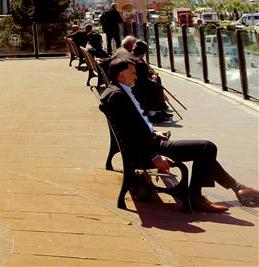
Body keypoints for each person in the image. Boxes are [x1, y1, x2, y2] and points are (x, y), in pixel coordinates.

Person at [100, 57, 259, 212]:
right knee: (207, 148)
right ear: (121, 75)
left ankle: (239, 188)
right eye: (133, 73)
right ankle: (196, 196)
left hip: (147, 144)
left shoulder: (116, 91)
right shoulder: (119, 96)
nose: (136, 76)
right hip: (147, 151)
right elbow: (131, 132)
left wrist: (153, 132)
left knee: (204, 151)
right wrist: (155, 156)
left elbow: (133, 126)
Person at [130, 40, 171, 122]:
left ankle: (160, 109)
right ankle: (153, 113)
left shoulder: (135, 58)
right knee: (157, 88)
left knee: (157, 82)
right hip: (138, 85)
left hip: (139, 82)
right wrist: (152, 79)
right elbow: (143, 78)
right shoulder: (138, 62)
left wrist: (152, 76)